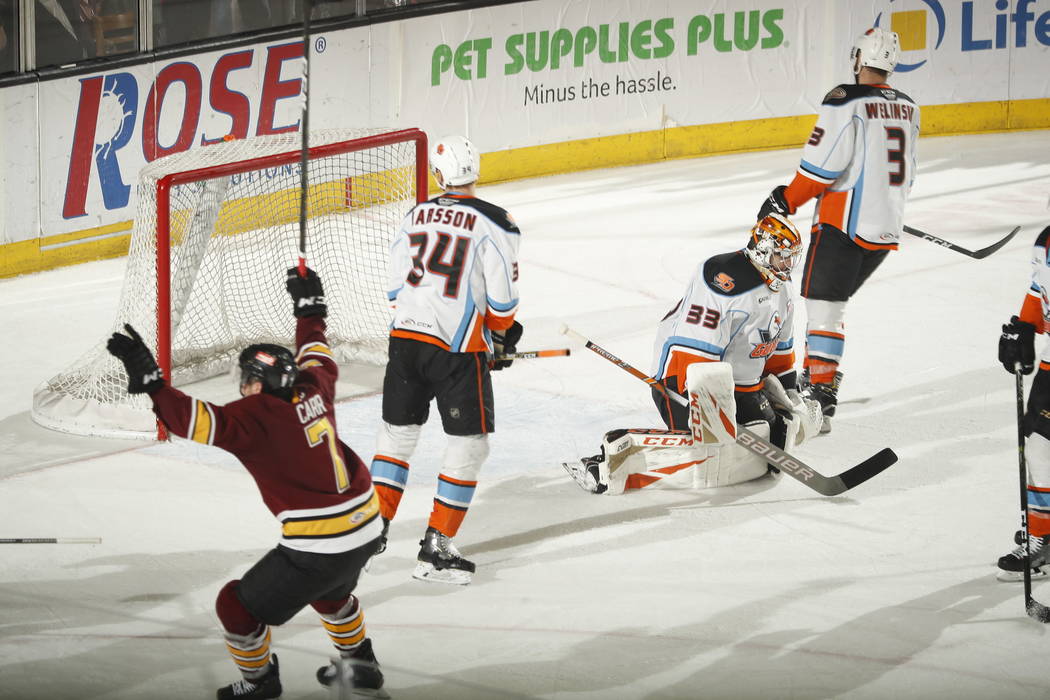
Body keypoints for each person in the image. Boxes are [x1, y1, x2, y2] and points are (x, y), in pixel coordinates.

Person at [106, 267, 387, 699]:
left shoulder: (253, 418)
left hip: (321, 542)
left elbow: (190, 419)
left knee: (234, 605)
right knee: (330, 591)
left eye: (248, 379)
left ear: (259, 383)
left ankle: (260, 684)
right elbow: (317, 351)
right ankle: (361, 662)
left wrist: (152, 384)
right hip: (367, 524)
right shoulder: (315, 387)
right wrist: (310, 310)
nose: (244, 387)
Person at [565, 214, 823, 495]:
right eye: (781, 257)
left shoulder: (783, 291)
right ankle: (610, 461)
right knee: (712, 450)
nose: (787, 266)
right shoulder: (724, 279)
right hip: (684, 377)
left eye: (790, 258)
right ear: (762, 249)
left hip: (741, 382)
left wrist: (789, 395)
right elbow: (696, 350)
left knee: (776, 433)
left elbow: (779, 350)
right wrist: (708, 405)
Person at [369, 134, 522, 585]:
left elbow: (396, 289)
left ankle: (369, 532)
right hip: (455, 352)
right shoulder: (497, 223)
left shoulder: (414, 215)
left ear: (438, 176)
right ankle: (436, 546)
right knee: (470, 445)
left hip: (404, 341)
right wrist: (500, 338)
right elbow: (502, 303)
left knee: (396, 437)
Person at [756, 26, 920, 433]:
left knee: (824, 306)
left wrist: (785, 200)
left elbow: (822, 167)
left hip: (843, 225)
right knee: (831, 305)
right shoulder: (910, 106)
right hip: (885, 228)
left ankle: (821, 395)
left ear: (860, 60)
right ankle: (820, 383)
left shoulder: (845, 100)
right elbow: (905, 173)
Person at [997, 224, 1050, 580]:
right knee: (1039, 444)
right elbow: (1040, 288)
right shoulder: (1046, 241)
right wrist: (1025, 327)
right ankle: (1043, 532)